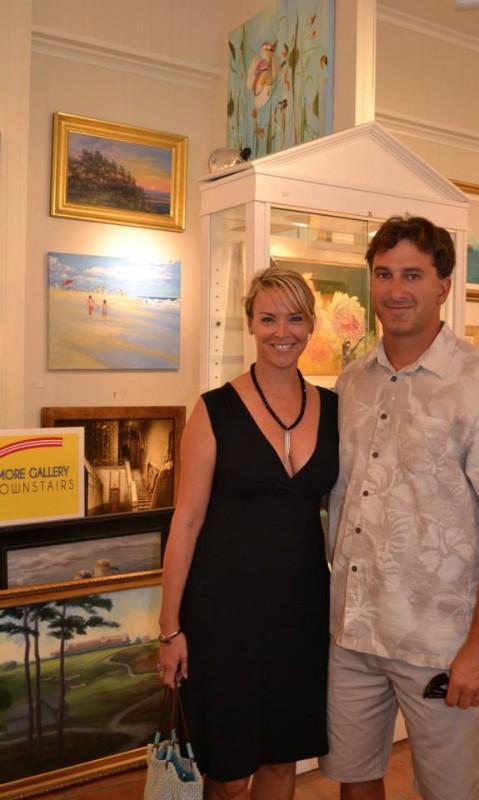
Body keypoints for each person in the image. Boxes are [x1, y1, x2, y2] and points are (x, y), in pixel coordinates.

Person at [320, 216, 479, 800]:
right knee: (354, 780)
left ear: (444, 285)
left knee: (448, 793)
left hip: (440, 644)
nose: (395, 290)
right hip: (352, 633)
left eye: (412, 275)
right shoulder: (351, 383)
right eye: (383, 274)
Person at [158, 265, 339, 800]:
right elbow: (186, 522)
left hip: (301, 613)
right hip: (223, 618)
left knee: (282, 760)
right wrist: (169, 629)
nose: (282, 331)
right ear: (250, 324)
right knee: (230, 774)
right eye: (268, 319)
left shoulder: (334, 409)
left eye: (295, 318)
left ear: (311, 326)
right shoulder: (214, 409)